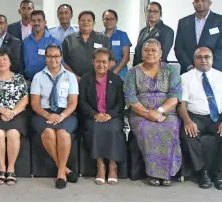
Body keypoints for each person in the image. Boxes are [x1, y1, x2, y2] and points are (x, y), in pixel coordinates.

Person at [123, 38, 182, 187]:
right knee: (147, 129)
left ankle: (167, 172)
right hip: (140, 114)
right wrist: (148, 114)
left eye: (153, 50)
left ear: (160, 53)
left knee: (170, 129)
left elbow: (175, 97)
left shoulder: (171, 70)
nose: (150, 53)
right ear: (142, 53)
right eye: (146, 50)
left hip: (167, 113)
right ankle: (153, 173)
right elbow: (130, 98)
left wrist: (159, 111)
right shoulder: (133, 72)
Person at [178, 47, 222, 191]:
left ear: (212, 59)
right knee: (188, 134)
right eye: (199, 57)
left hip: (218, 117)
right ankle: (202, 172)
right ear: (194, 60)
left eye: (207, 57)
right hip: (195, 116)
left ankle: (219, 173)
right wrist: (188, 121)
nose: (203, 60)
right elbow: (181, 104)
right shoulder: (185, 77)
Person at [30, 44, 79, 189]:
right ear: (45, 58)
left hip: (66, 113)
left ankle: (60, 172)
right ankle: (64, 170)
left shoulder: (70, 77)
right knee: (49, 133)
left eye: (56, 56)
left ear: (61, 57)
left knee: (63, 134)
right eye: (50, 56)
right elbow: (35, 103)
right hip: (43, 113)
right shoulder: (38, 77)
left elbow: (72, 102)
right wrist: (48, 115)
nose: (53, 59)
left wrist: (62, 116)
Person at [78, 48, 126, 185]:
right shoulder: (86, 79)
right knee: (96, 129)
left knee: (113, 130)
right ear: (93, 61)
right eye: (98, 61)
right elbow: (82, 102)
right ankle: (100, 166)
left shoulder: (116, 79)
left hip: (113, 116)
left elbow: (120, 102)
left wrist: (110, 115)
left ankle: (112, 166)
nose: (101, 65)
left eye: (104, 62)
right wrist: (94, 114)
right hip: (93, 116)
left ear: (110, 63)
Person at [0, 48, 29, 186]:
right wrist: (2, 110)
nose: (2, 62)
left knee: (13, 133)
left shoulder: (19, 78)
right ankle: (2, 168)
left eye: (4, 59)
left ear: (10, 62)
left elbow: (24, 99)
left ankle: (11, 168)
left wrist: (12, 112)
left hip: (16, 114)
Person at [174, 0, 222, 74]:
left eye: (203, 0)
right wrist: (189, 66)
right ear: (193, 4)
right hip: (189, 71)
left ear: (210, 3)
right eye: (197, 1)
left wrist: (205, 66)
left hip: (215, 71)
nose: (200, 3)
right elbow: (179, 48)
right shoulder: (184, 22)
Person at [62, 11, 111, 81]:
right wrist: (75, 77)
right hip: (74, 81)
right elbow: (63, 62)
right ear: (78, 22)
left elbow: (112, 60)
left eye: (89, 20)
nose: (86, 22)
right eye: (82, 20)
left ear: (94, 23)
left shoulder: (104, 39)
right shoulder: (68, 39)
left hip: (98, 81)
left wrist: (100, 75)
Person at [22, 10, 61, 81]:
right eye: (33, 21)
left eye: (39, 20)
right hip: (29, 82)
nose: (36, 23)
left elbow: (60, 63)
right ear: (31, 23)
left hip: (48, 81)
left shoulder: (54, 41)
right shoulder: (26, 41)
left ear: (45, 22)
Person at [133, 2, 174, 66]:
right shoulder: (143, 31)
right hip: (140, 69)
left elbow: (162, 54)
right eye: (149, 11)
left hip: (157, 70)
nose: (152, 14)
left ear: (160, 14)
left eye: (155, 11)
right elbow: (137, 52)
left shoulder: (167, 31)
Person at [102, 9, 132, 80]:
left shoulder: (122, 35)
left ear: (116, 20)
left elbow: (126, 57)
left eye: (112, 19)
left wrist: (115, 72)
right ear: (102, 20)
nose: (108, 21)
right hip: (103, 73)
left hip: (120, 73)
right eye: (106, 19)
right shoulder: (99, 36)